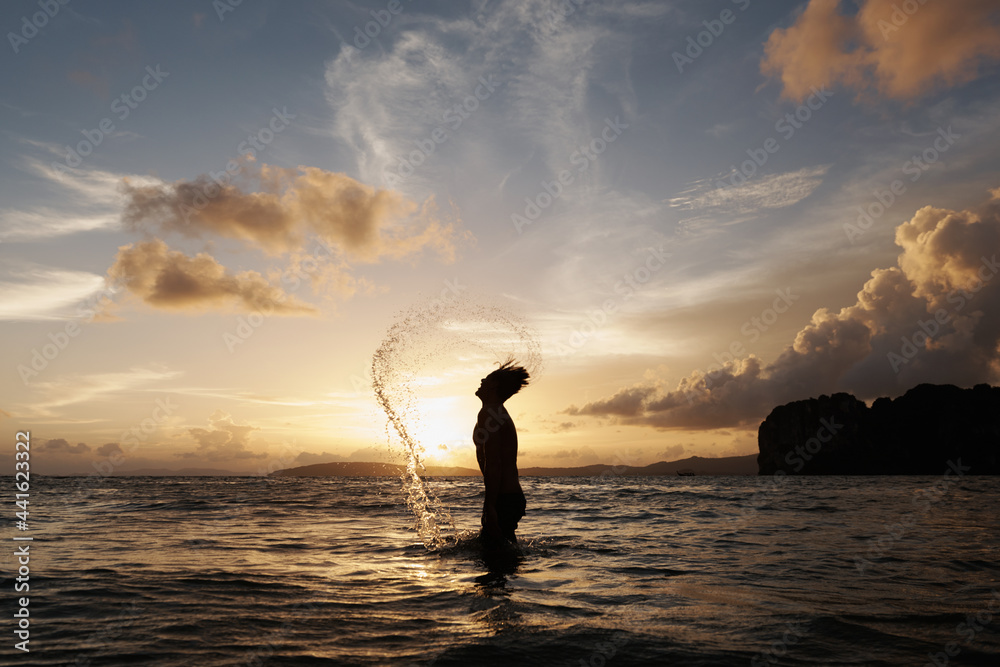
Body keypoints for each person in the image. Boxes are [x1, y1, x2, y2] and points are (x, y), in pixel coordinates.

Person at [473, 358, 530, 549]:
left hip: (504, 498)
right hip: (509, 496)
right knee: (501, 555)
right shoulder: (495, 412)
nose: (482, 380)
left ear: (494, 385)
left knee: (495, 560)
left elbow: (494, 462)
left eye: (487, 379)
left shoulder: (490, 413)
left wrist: (490, 506)